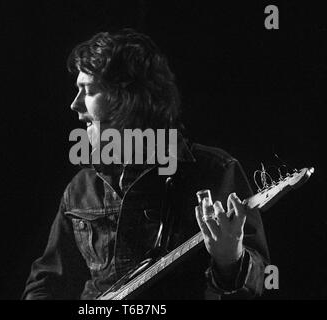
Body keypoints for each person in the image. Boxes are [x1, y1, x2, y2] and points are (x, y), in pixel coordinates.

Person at [21, 29, 270, 300]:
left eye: (89, 91)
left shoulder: (213, 171)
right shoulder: (81, 187)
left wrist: (230, 259)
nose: (74, 104)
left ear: (127, 99)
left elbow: (259, 285)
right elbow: (47, 283)